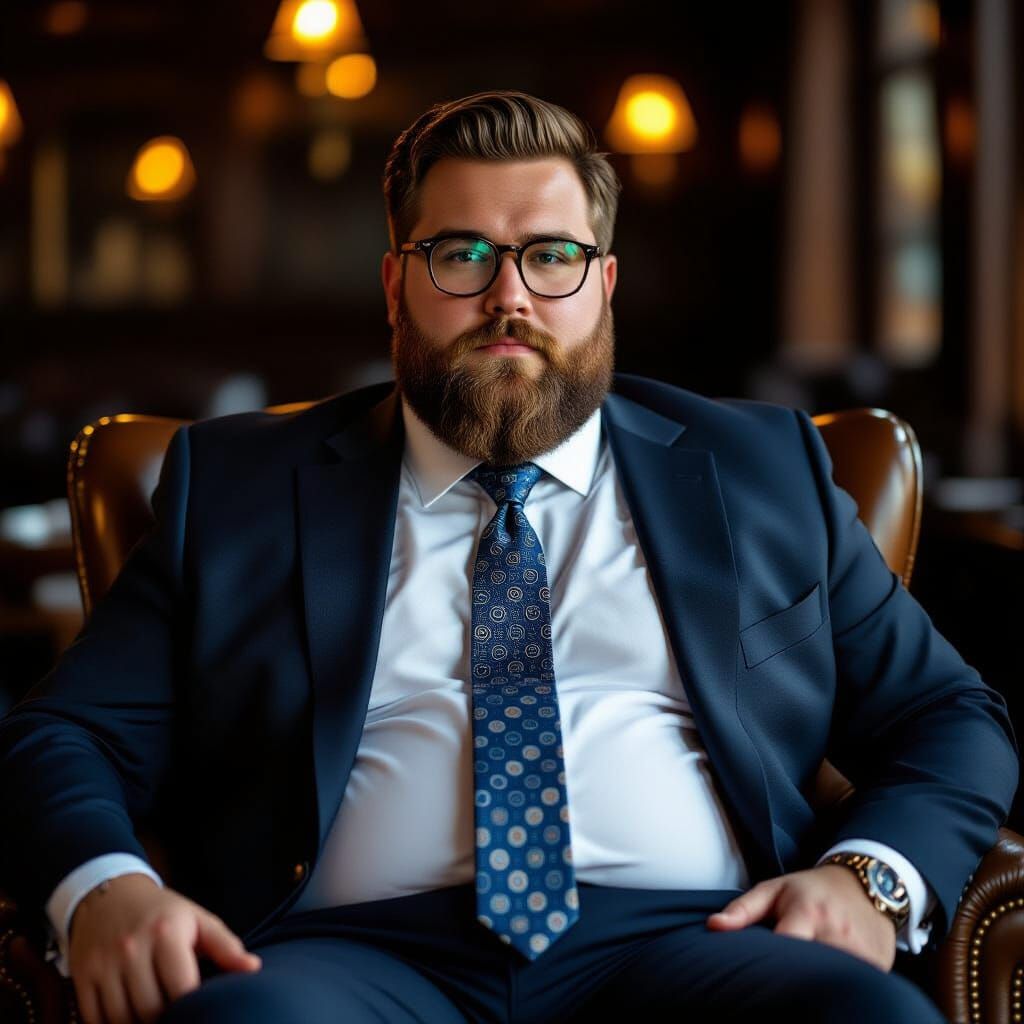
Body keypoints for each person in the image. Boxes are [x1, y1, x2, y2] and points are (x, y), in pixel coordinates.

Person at [0, 90, 1016, 1024]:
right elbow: (64, 732)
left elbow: (948, 716)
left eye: (550, 256)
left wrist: (869, 877)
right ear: (396, 284)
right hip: (346, 957)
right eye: (463, 256)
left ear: (603, 282)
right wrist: (105, 886)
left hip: (700, 941)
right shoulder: (238, 488)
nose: (509, 298)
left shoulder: (759, 471)